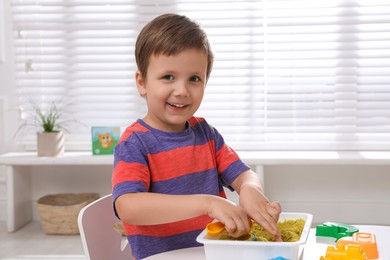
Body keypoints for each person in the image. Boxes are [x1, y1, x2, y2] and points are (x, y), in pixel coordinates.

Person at [112, 13, 282, 260]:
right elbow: (127, 207)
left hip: (214, 254)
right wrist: (207, 204)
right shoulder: (134, 143)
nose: (181, 91)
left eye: (194, 79)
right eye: (168, 77)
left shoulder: (206, 134)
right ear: (142, 82)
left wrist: (249, 189)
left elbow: (244, 173)